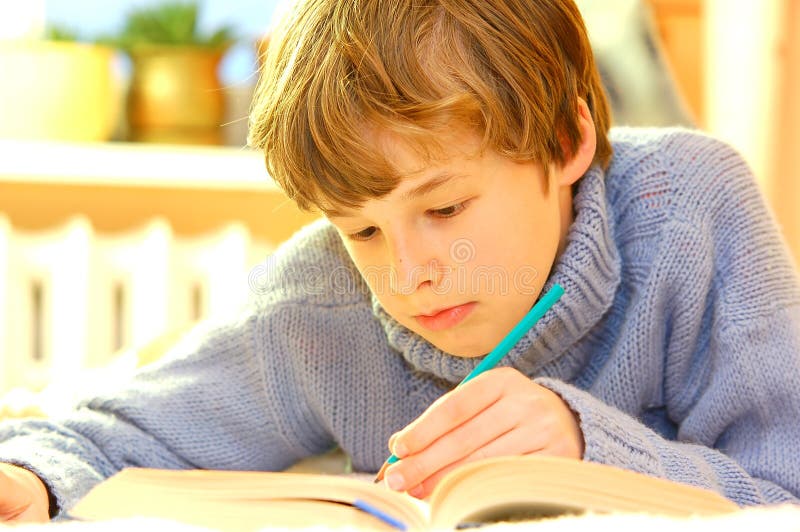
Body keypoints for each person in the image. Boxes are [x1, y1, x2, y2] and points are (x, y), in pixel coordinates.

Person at [2, 0, 799, 523]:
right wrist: (29, 479)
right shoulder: (319, 297)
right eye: (361, 230)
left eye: (444, 209)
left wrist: (590, 445)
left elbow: (785, 492)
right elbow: (105, 438)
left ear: (566, 144)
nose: (407, 275)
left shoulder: (696, 214)